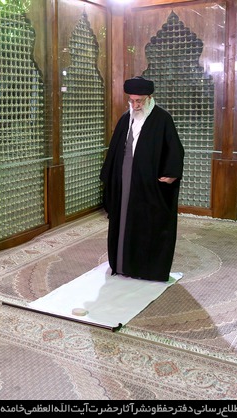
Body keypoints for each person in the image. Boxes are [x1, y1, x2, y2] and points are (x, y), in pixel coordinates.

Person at [99, 76, 185, 281]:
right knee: (123, 220)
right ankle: (122, 264)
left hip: (149, 184)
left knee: (148, 225)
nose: (135, 105)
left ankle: (146, 269)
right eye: (132, 101)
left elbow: (175, 149)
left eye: (139, 101)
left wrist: (171, 173)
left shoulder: (162, 119)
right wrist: (110, 178)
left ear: (149, 98)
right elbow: (114, 151)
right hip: (125, 180)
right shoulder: (125, 119)